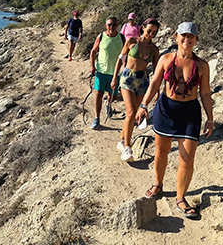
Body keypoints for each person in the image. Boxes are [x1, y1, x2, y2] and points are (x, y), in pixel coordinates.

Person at [136, 22, 213, 218]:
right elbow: (154, 83)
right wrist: (144, 106)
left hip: (189, 113)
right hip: (166, 110)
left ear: (196, 40)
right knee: (161, 152)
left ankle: (180, 198)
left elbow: (204, 93)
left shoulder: (202, 65)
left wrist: (210, 119)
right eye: (183, 35)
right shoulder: (165, 59)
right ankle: (158, 184)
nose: (187, 39)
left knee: (187, 157)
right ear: (176, 37)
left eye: (192, 36)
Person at [111, 18, 160, 162]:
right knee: (131, 112)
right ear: (143, 27)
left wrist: (156, 88)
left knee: (133, 114)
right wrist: (114, 78)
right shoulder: (132, 41)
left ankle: (121, 140)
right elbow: (120, 59)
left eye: (154, 32)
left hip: (142, 80)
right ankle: (127, 147)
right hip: (127, 78)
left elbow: (157, 70)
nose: (151, 34)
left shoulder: (154, 49)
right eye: (149, 30)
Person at [89, 16, 125, 129]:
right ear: (106, 26)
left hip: (115, 73)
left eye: (114, 24)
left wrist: (125, 68)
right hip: (101, 71)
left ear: (117, 26)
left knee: (113, 95)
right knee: (98, 94)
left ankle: (108, 105)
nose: (111, 27)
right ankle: (96, 118)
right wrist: (92, 66)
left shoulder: (121, 38)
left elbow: (125, 54)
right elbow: (93, 52)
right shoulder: (101, 36)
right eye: (109, 24)